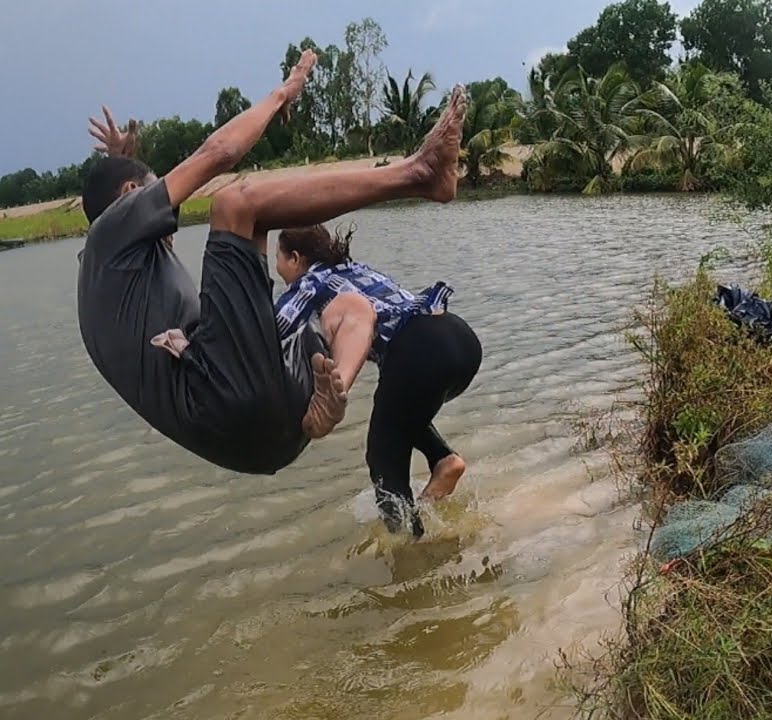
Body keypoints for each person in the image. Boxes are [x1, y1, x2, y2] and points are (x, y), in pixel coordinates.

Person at [76, 49, 470, 474]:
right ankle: (418, 173)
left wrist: (118, 162)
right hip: (225, 393)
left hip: (271, 435)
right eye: (148, 190)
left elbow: (132, 208)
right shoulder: (111, 235)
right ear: (128, 195)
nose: (168, 213)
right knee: (236, 202)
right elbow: (217, 153)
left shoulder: (110, 272)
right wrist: (286, 91)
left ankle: (331, 390)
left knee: (353, 307)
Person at [274, 224, 482, 536]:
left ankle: (410, 551)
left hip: (420, 351)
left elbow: (274, 329)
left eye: (277, 258)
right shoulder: (352, 268)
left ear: (294, 258)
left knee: (382, 457)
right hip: (459, 340)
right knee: (400, 414)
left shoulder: (310, 281)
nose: (277, 269)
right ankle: (444, 461)